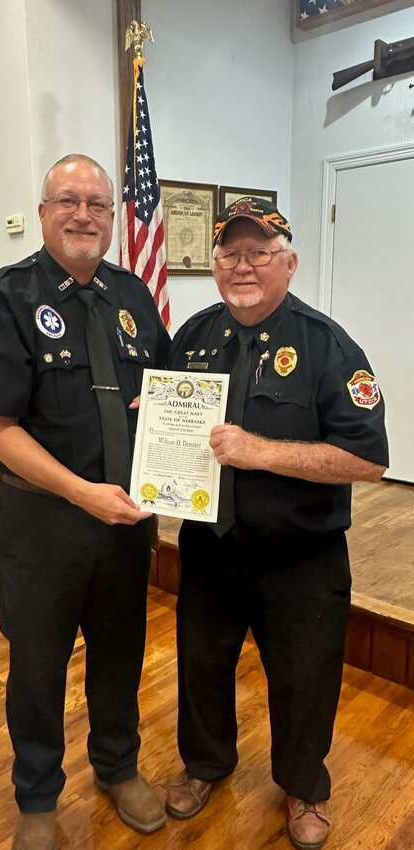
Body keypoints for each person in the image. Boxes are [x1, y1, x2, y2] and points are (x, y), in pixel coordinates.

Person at [0, 154, 170, 850]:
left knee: (120, 651)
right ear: (45, 211)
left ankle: (118, 767)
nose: (84, 215)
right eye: (68, 201)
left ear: (113, 216)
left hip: (125, 523)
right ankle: (38, 800)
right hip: (42, 522)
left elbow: (164, 396)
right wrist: (82, 492)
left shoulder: (133, 295)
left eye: (98, 204)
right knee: (39, 663)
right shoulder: (5, 300)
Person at [165, 196, 388, 850]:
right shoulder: (193, 338)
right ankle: (205, 763)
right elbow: (172, 432)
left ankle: (303, 786)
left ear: (287, 262)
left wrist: (260, 452)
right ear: (214, 264)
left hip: (301, 555)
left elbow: (367, 459)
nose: (242, 264)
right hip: (210, 546)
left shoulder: (327, 346)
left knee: (303, 675)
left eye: (258, 252)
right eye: (229, 252)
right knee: (201, 665)